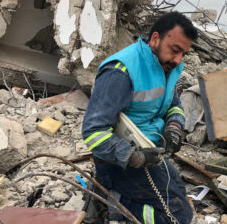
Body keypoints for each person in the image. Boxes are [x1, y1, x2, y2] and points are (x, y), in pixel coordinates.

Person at [81, 12, 198, 224]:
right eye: (175, 50)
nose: (179, 60)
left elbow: (173, 105)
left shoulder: (166, 66)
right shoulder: (121, 71)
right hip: (119, 162)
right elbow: (92, 132)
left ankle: (115, 197)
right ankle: (111, 202)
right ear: (155, 39)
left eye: (184, 54)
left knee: (180, 193)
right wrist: (134, 158)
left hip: (150, 153)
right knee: (178, 218)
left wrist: (173, 126)